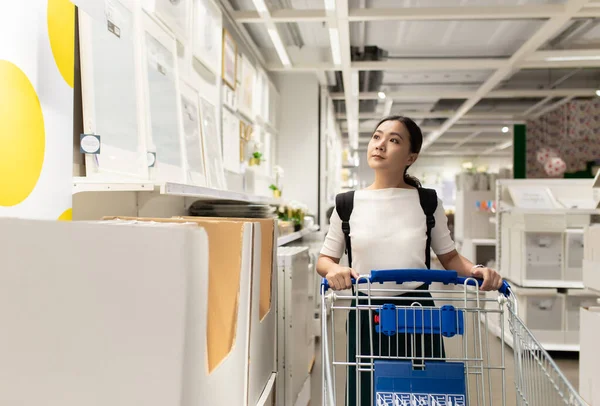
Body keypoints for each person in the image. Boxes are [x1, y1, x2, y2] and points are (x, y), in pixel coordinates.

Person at [316, 115, 503, 405]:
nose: (380, 145)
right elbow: (325, 259)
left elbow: (450, 257)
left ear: (410, 156)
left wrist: (477, 271)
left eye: (393, 140)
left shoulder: (427, 201)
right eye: (377, 137)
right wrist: (335, 270)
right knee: (366, 394)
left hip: (418, 313)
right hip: (366, 312)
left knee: (422, 394)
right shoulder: (347, 204)